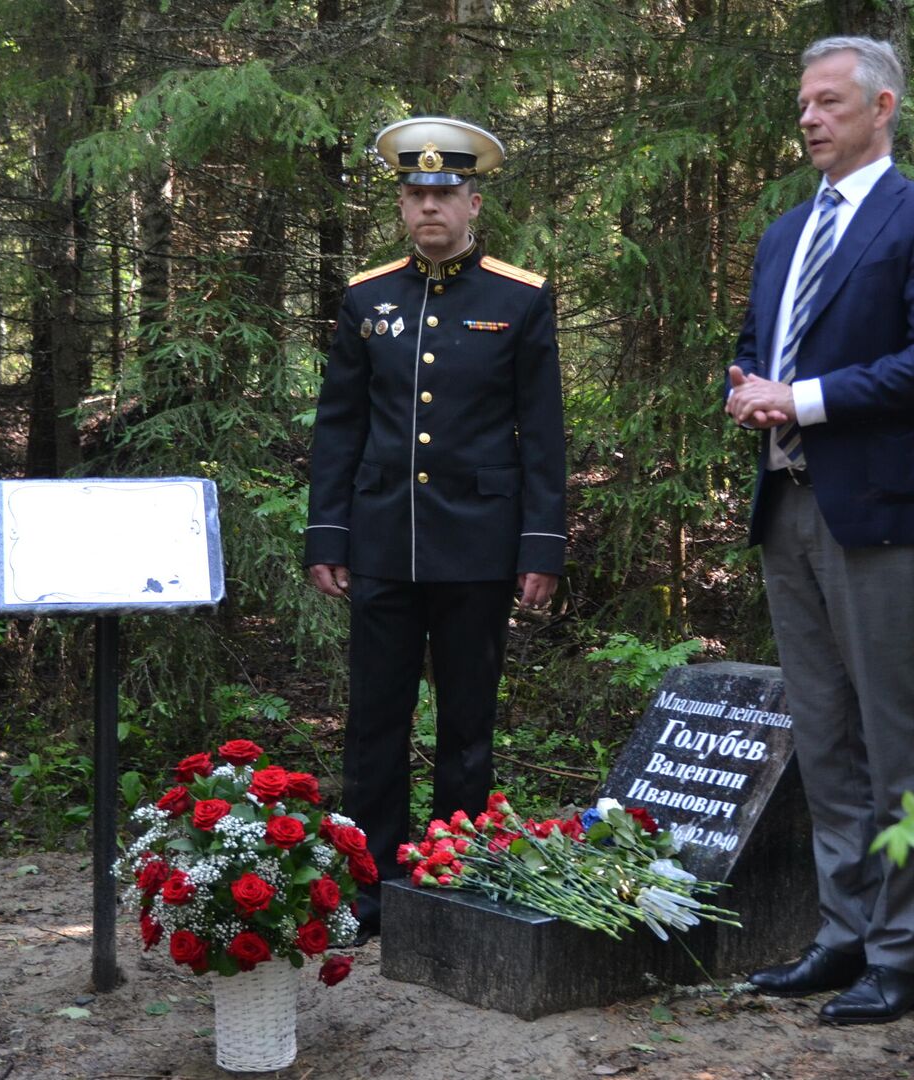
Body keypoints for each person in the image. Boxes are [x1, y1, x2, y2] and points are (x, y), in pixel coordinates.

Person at [724, 36, 914, 1024]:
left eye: (828, 101)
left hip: (880, 518)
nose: (808, 117)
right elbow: (753, 350)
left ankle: (900, 957)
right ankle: (842, 937)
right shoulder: (788, 232)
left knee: (892, 742)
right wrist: (747, 391)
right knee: (824, 739)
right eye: (802, 102)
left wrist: (809, 398)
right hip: (786, 506)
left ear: (883, 108)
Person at [304, 116, 566, 943]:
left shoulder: (519, 298)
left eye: (444, 193)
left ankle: (455, 875)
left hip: (480, 548)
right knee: (375, 723)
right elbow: (339, 427)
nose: (429, 208)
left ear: (472, 201)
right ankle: (372, 884)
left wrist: (540, 546)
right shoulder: (366, 298)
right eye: (416, 194)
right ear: (402, 205)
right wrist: (328, 535)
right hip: (382, 543)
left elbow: (544, 433)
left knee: (466, 727)